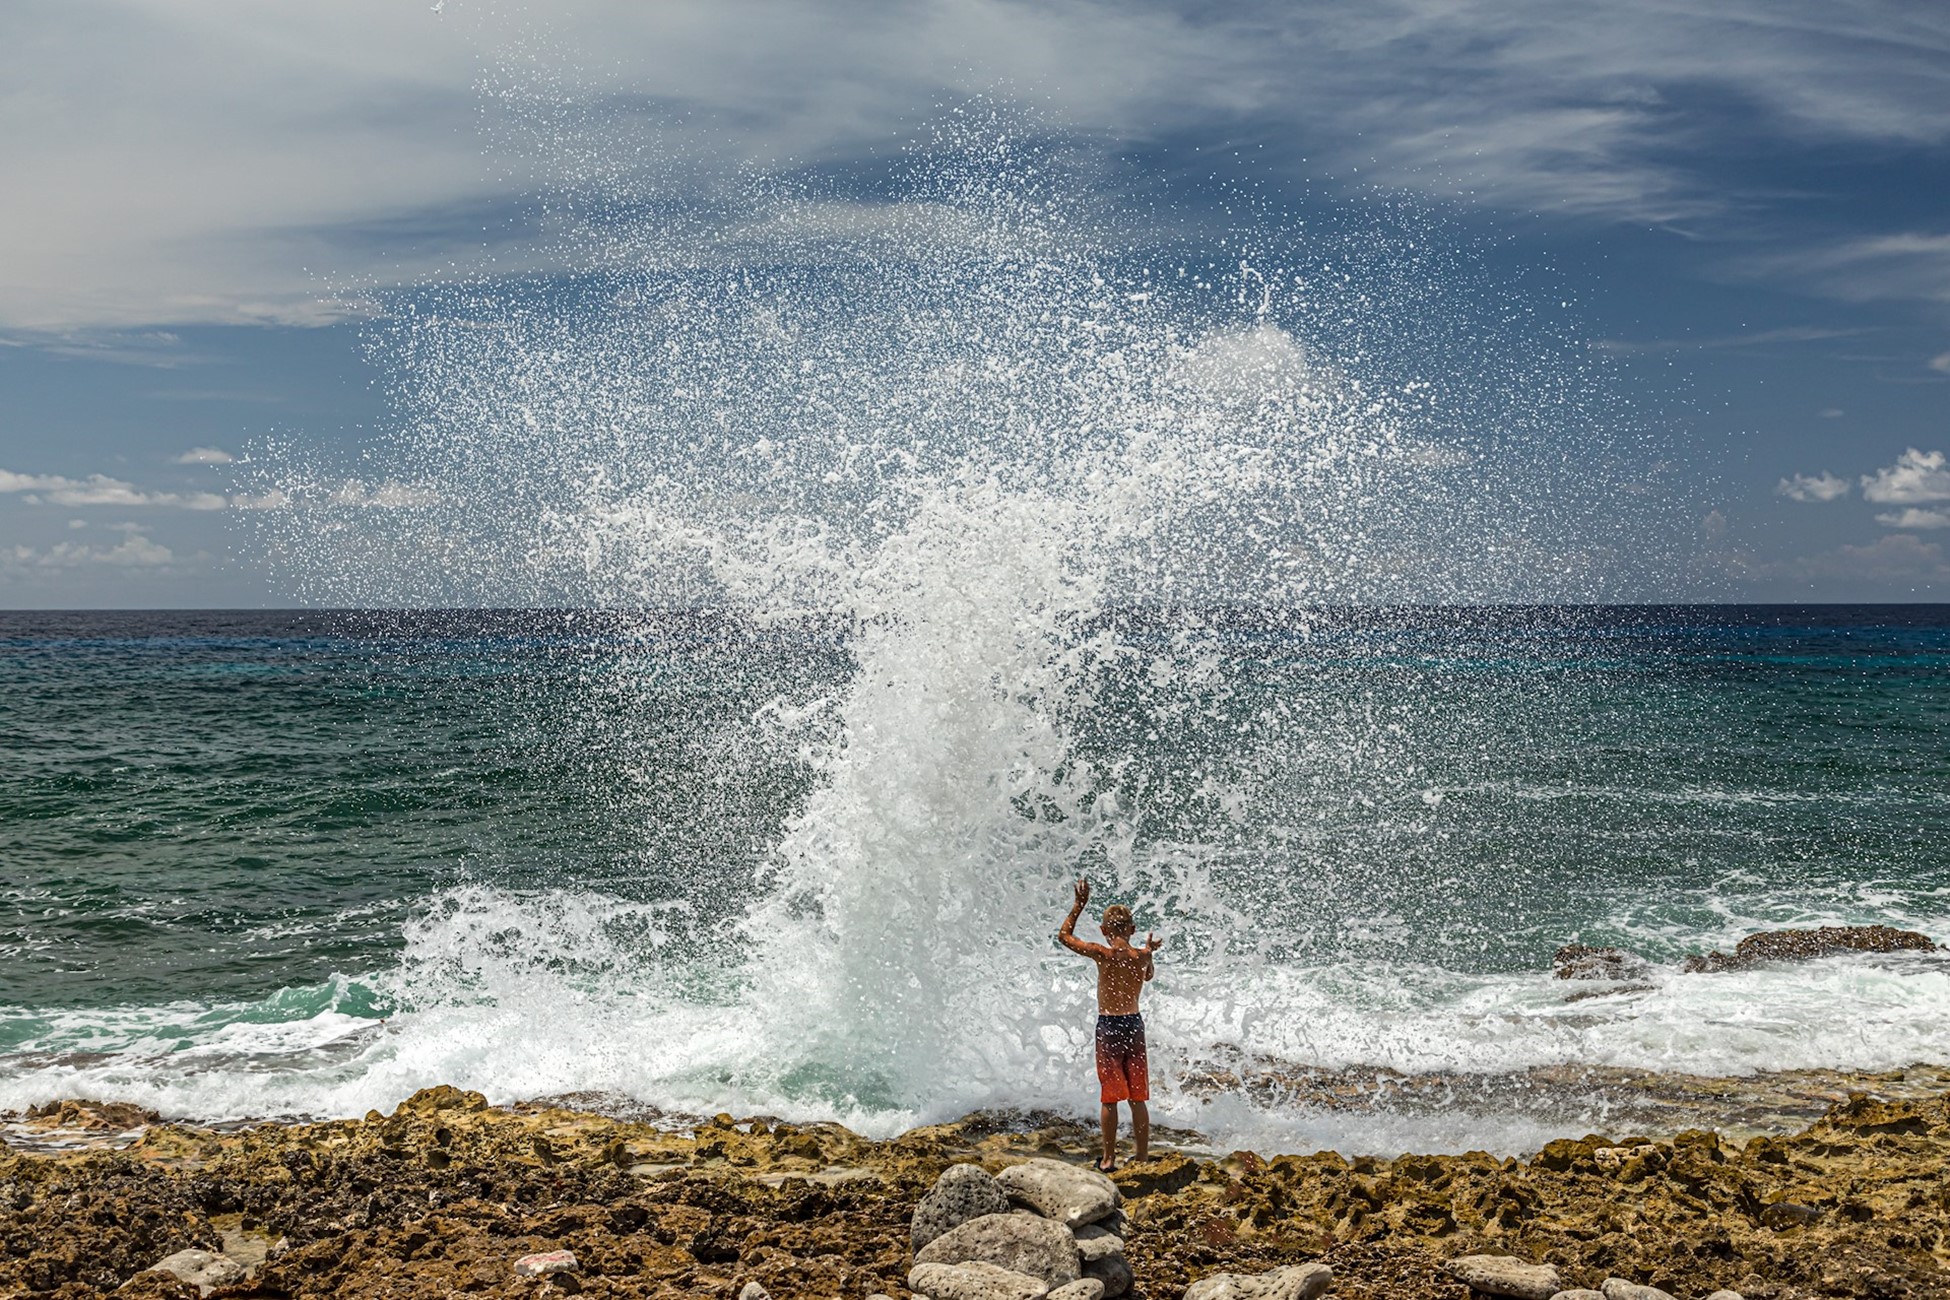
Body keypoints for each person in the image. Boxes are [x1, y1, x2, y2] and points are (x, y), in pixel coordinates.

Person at [1058, 877, 1163, 1171]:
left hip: (1109, 1027)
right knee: (1137, 1097)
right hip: (1134, 1025)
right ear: (1131, 930)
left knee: (1110, 1098)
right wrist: (1149, 951)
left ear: (1104, 931)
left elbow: (1063, 937)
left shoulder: (1101, 954)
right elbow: (1149, 975)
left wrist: (1078, 907)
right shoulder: (1141, 956)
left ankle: (1108, 1159)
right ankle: (1142, 1156)